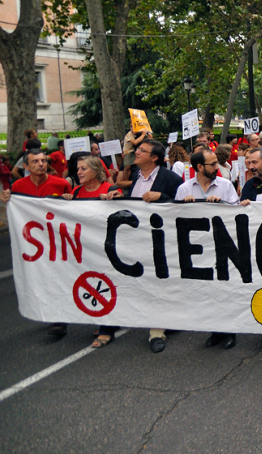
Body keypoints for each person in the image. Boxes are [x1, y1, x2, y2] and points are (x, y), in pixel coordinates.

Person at [117, 139, 183, 353]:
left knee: (159, 284)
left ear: (154, 158)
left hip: (161, 241)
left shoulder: (171, 178)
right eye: (138, 149)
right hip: (138, 238)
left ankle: (156, 333)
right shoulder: (136, 175)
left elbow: (183, 207)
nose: (136, 152)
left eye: (142, 150)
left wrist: (162, 197)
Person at [2, 149, 72, 337]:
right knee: (41, 278)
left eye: (43, 161)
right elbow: (14, 209)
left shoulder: (61, 183)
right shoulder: (18, 186)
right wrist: (6, 199)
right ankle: (48, 311)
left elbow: (75, 210)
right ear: (25, 166)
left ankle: (59, 318)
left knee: (57, 277)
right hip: (33, 244)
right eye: (35, 161)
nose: (41, 164)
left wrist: (69, 199)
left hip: (57, 240)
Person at [175, 149, 240, 350]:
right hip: (198, 249)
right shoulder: (184, 189)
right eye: (212, 164)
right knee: (208, 292)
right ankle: (215, 330)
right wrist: (184, 206)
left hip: (222, 245)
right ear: (199, 167)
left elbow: (238, 213)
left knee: (225, 289)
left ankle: (230, 331)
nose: (216, 167)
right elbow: (175, 218)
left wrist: (221, 205)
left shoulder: (225, 185)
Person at [60, 156, 121, 347]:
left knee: (106, 283)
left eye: (84, 169)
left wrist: (114, 199)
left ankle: (106, 328)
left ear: (96, 171)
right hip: (84, 248)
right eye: (78, 169)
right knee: (93, 283)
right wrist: (66, 202)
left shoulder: (110, 189)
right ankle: (105, 320)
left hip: (106, 247)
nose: (79, 172)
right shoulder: (77, 192)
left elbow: (124, 206)